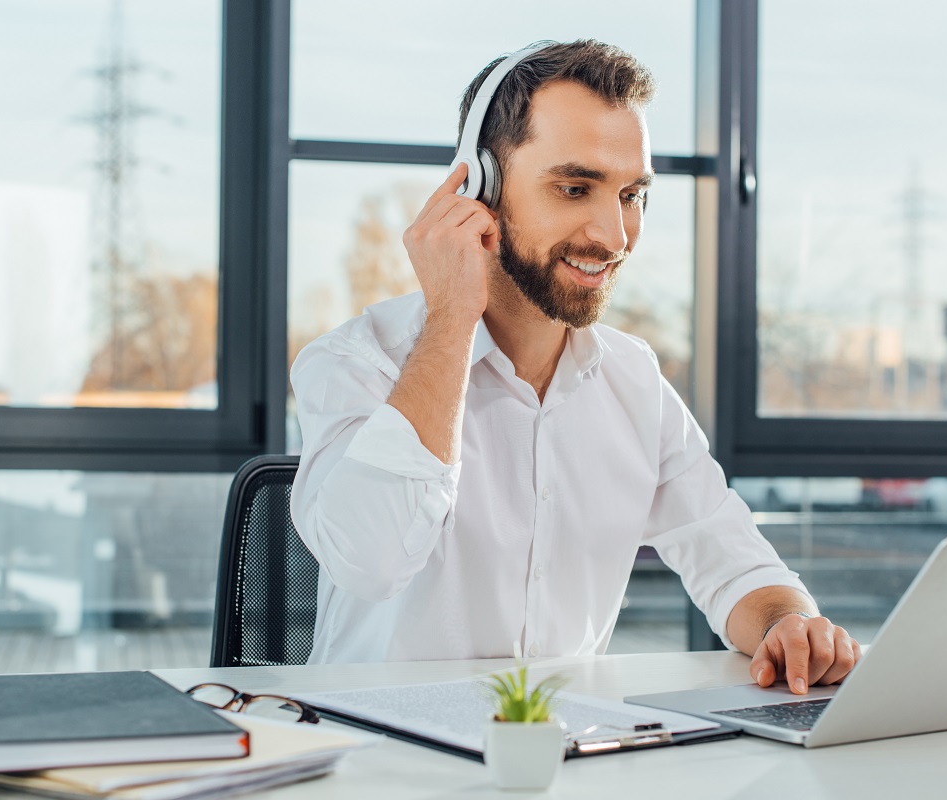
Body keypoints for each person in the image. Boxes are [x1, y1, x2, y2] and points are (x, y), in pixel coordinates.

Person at [290, 39, 859, 694]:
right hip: (384, 763)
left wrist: (788, 623)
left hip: (561, 757)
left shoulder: (632, 380)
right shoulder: (355, 362)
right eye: (574, 187)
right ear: (480, 185)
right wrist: (451, 319)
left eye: (631, 195)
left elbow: (729, 558)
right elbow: (370, 561)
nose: (614, 236)